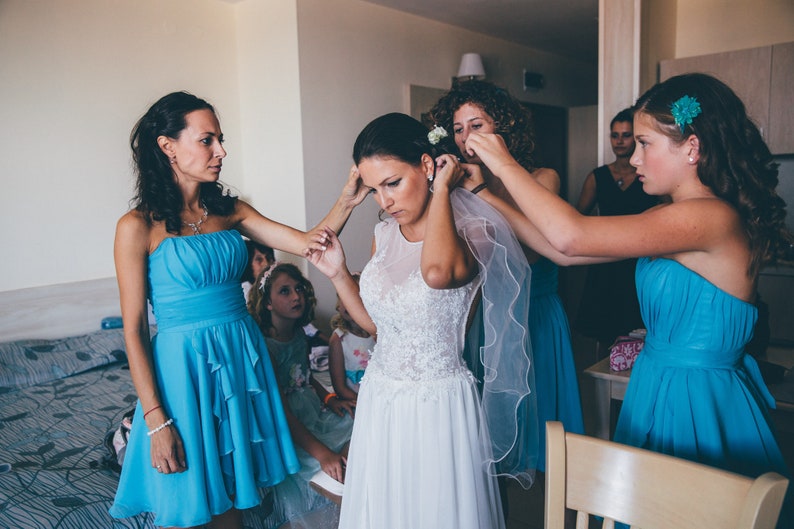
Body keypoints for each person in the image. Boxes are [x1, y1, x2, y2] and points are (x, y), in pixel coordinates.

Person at [459, 73, 792, 527]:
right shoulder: (668, 215)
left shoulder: (710, 218)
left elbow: (572, 236)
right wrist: (482, 193)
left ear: (691, 148)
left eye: (644, 143)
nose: (632, 157)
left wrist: (504, 164)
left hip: (698, 398)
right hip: (656, 381)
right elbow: (560, 250)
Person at [109, 91, 366, 529]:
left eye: (220, 139)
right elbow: (133, 330)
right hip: (185, 369)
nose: (221, 151)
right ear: (167, 145)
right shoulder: (137, 227)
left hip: (241, 360)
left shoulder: (230, 211)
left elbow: (307, 243)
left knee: (234, 491)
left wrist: (346, 199)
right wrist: (155, 422)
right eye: (207, 140)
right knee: (201, 495)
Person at [306, 112, 536, 529]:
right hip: (381, 399)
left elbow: (437, 273)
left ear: (428, 166)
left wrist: (444, 191)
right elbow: (378, 326)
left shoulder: (473, 230)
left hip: (437, 403)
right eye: (374, 190)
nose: (384, 201)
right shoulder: (385, 234)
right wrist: (339, 273)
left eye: (392, 183)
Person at [430, 79, 584, 473]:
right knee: (488, 433)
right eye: (459, 129)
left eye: (477, 125)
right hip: (486, 315)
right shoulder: (456, 189)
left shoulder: (543, 177)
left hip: (536, 313)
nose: (467, 138)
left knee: (546, 428)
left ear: (504, 127)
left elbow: (530, 254)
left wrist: (482, 191)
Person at [247, 262, 354, 528]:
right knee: (323, 457)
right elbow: (280, 410)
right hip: (287, 420)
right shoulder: (267, 347)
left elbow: (305, 378)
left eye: (298, 289)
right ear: (267, 303)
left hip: (310, 407)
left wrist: (329, 398)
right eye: (285, 291)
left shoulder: (299, 335)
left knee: (357, 424)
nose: (296, 296)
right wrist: (322, 454)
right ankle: (333, 484)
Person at [574, 108, 658, 355]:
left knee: (637, 325)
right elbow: (579, 217)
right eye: (615, 135)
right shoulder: (598, 176)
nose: (620, 141)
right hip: (605, 262)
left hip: (638, 261)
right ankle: (605, 379)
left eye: (626, 135)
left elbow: (667, 209)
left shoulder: (650, 177)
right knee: (603, 327)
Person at [327, 272, 373, 400]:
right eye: (345, 296)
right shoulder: (339, 339)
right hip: (355, 400)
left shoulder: (377, 334)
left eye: (358, 297)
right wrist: (363, 405)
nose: (349, 302)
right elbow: (340, 388)